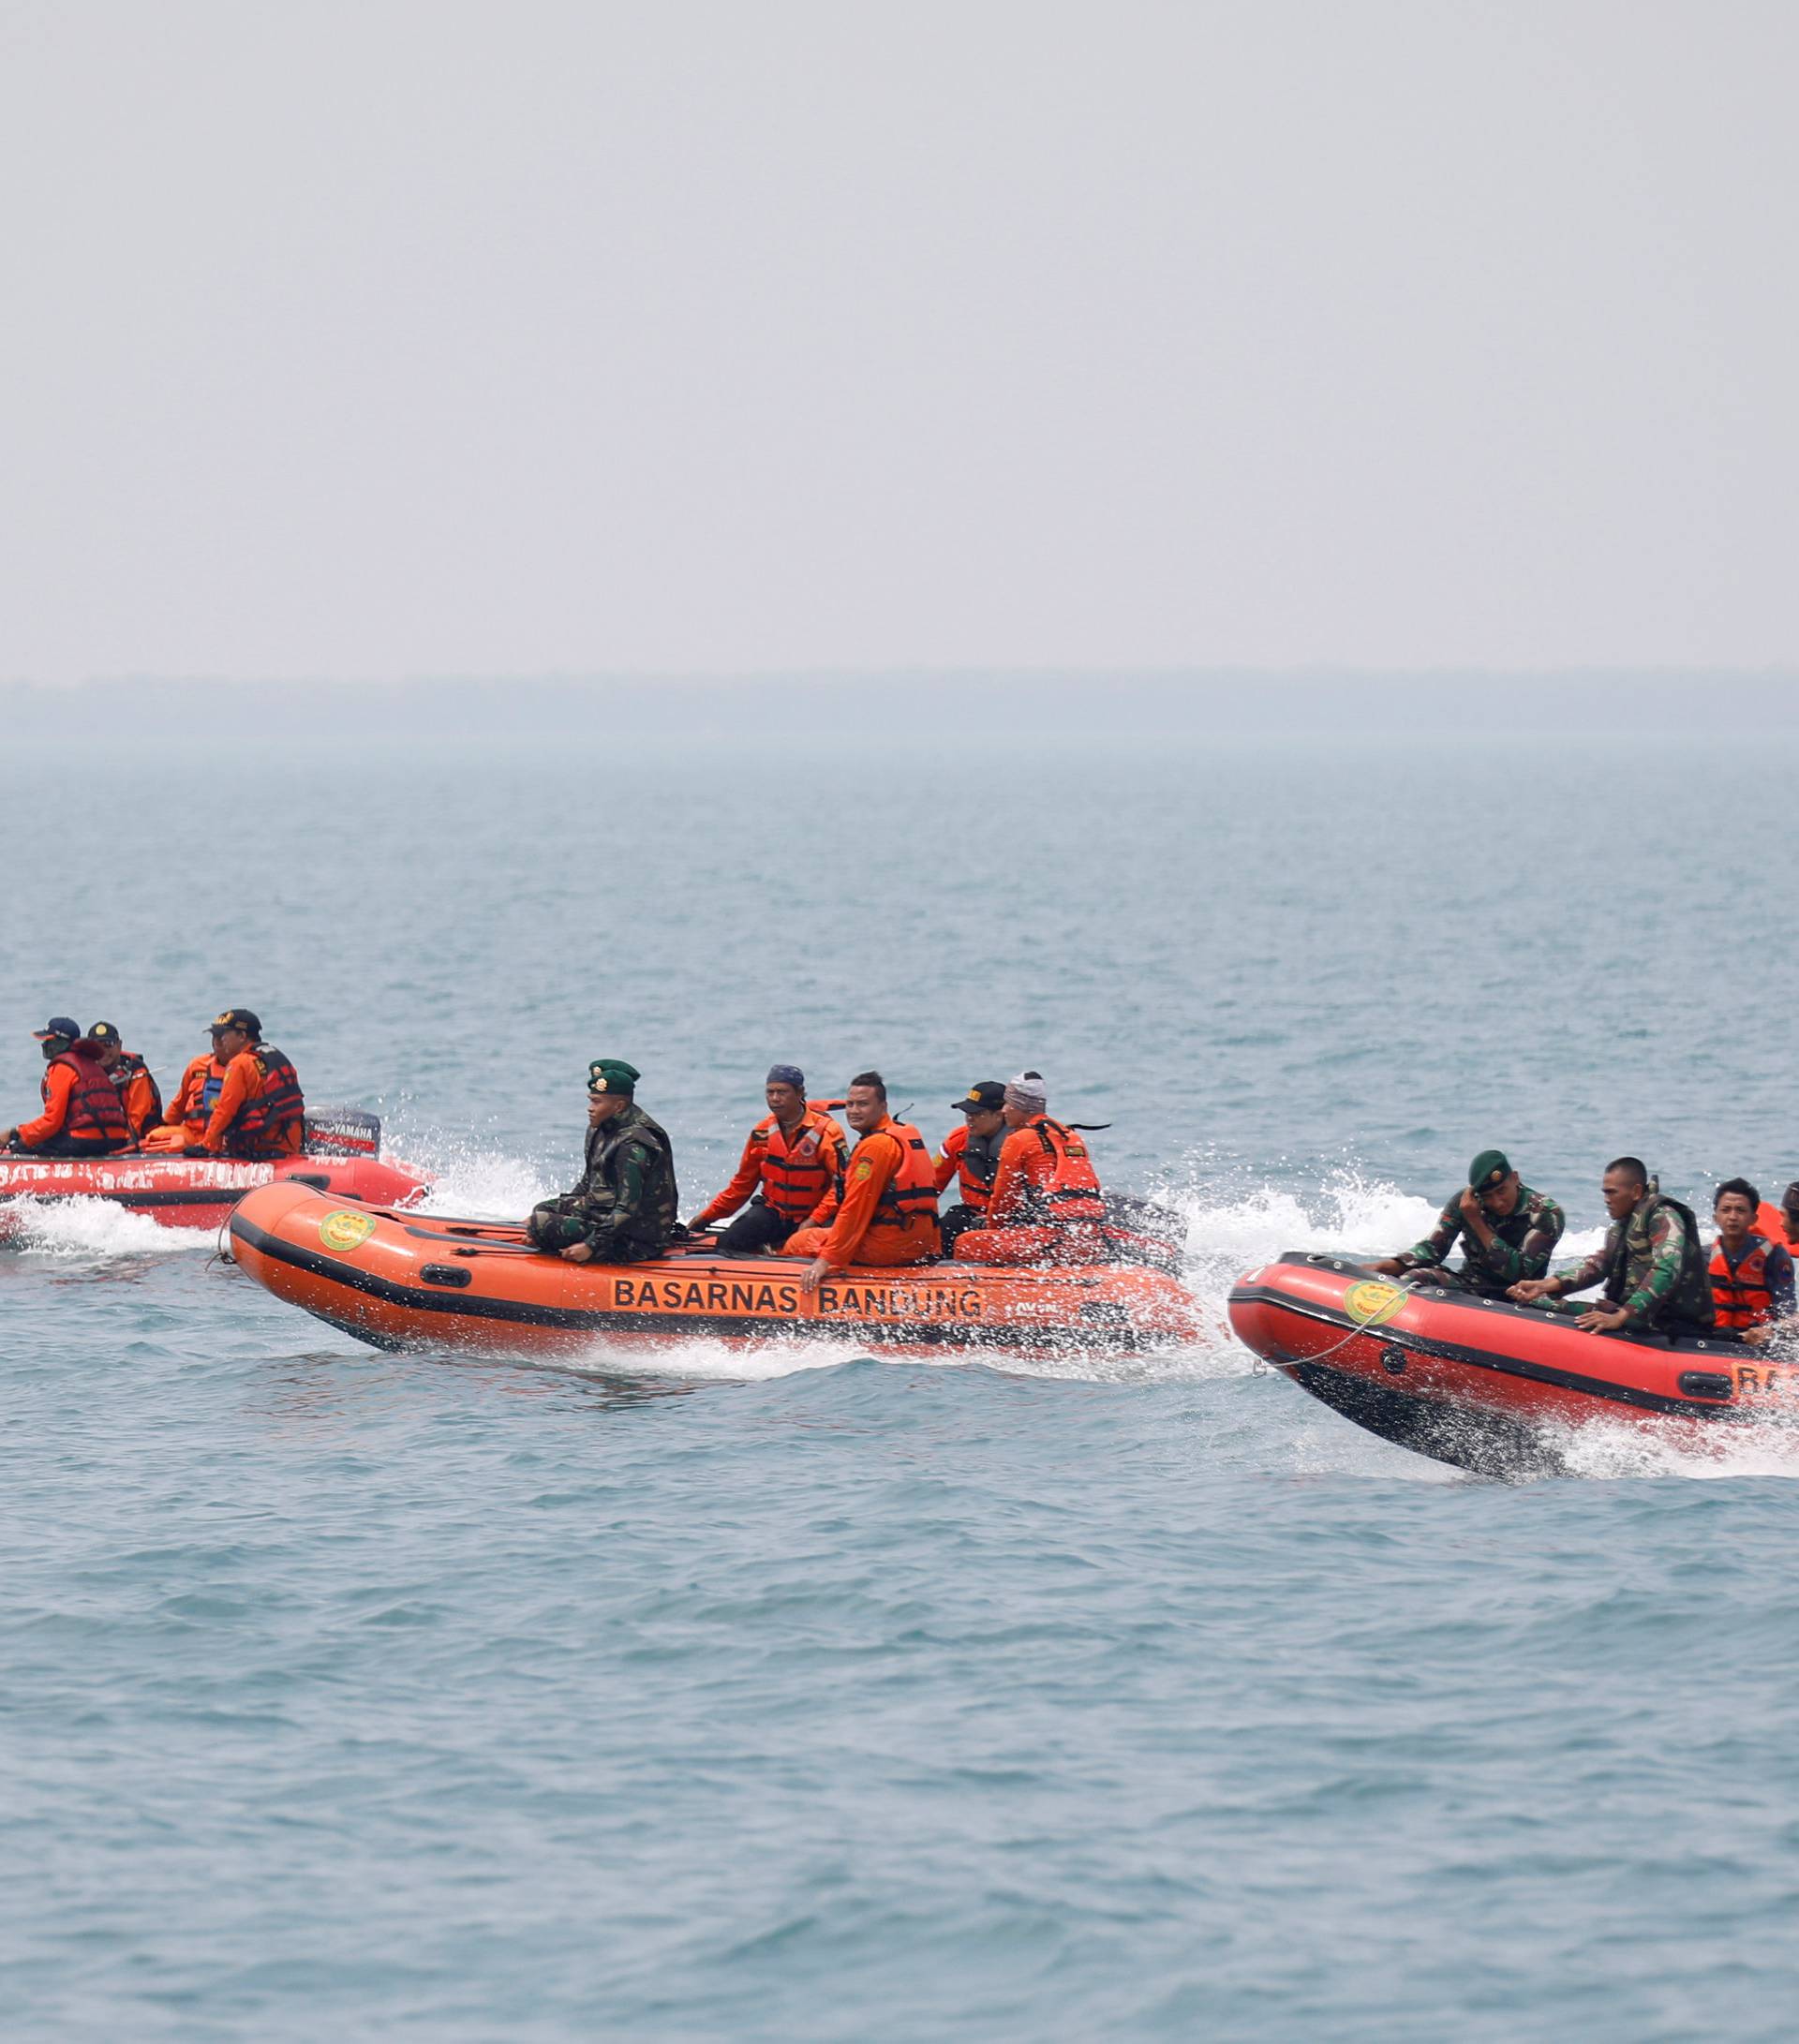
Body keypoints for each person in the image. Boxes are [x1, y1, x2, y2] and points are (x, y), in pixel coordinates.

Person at [1510, 1156, 1714, 1334]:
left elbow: (1666, 1269)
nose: (1606, 1200)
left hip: (1672, 1325)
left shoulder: (1664, 1217)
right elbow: (1599, 1265)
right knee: (1538, 1302)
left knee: (1556, 1309)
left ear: (1635, 1191)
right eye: (1604, 1193)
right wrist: (1544, 1285)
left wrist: (1621, 1316)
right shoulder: (1623, 1226)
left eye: (1612, 1193)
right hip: (1641, 1317)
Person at [782, 1072, 940, 1288]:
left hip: (888, 1246)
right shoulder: (904, 1133)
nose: (854, 1111)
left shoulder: (875, 1147)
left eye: (863, 1104)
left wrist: (825, 1261)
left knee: (796, 1242)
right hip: (918, 1243)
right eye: (850, 1104)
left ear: (883, 1107)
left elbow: (855, 1209)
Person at [527, 1058, 679, 1264]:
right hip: (604, 1213)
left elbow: (627, 1209)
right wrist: (565, 1213)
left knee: (541, 1222)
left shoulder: (633, 1145)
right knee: (542, 1211)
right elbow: (588, 1183)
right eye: (591, 1100)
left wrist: (591, 1245)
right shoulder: (601, 1129)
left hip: (637, 1237)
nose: (590, 1108)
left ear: (618, 1106)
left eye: (597, 1102)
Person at [689, 1065, 848, 1255]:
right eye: (770, 1092)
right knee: (727, 1244)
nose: (775, 1098)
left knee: (812, 1249)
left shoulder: (828, 1132)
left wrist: (813, 1220)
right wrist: (705, 1218)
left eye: (782, 1092)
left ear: (800, 1093)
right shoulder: (762, 1132)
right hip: (774, 1212)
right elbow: (742, 1185)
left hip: (817, 1215)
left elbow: (840, 1187)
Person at [953, 1073, 1109, 1266]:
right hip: (1088, 1237)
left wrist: (990, 1227)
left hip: (1052, 1240)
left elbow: (1003, 1202)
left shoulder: (1018, 1140)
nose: (1003, 1111)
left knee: (966, 1242)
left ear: (1021, 1107)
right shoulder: (1069, 1135)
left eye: (1008, 1104)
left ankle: (990, 1288)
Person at [1370, 1149, 1566, 1298]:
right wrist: (1388, 1266)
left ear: (1515, 1178)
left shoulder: (1546, 1213)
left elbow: (1519, 1271)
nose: (1497, 1202)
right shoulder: (1465, 1202)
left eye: (1502, 1191)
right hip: (1471, 1285)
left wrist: (1476, 1221)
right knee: (1413, 1278)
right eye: (1487, 1196)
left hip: (1520, 1294)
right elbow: (1432, 1250)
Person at [2, 1017, 133, 1156]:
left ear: (60, 1043)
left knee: (21, 1148)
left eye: (48, 1041)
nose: (44, 1045)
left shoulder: (62, 1068)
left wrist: (15, 1135)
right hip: (116, 1140)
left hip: (85, 1141)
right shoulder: (93, 1065)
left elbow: (51, 1122)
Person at [183, 1011, 305, 1159]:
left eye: (226, 1034)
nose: (222, 1039)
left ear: (242, 1036)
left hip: (262, 1149)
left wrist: (206, 1145)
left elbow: (225, 1110)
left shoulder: (240, 1064)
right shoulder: (275, 1056)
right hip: (289, 1143)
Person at [1708, 1178, 1795, 1345]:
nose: (1733, 1217)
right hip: (1714, 1341)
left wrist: (1771, 1330)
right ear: (1715, 1218)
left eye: (1740, 1210)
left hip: (1757, 1343)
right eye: (1726, 1210)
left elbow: (1787, 1309)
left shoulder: (1774, 1256)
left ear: (1754, 1219)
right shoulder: (1704, 1256)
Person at [933, 1080, 1008, 1253]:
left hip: (1009, 1218)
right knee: (948, 1225)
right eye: (967, 1112)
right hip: (971, 1214)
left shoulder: (1021, 1143)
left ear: (999, 1115)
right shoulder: (957, 1140)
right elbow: (931, 1184)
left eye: (978, 1113)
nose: (969, 1118)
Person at [141, 1018, 235, 1152]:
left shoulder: (241, 1068)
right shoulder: (197, 1065)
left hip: (224, 1137)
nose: (217, 1041)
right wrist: (164, 1125)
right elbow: (179, 1104)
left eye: (222, 1036)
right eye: (214, 1036)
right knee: (154, 1136)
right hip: (192, 1132)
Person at [87, 1021, 164, 1140]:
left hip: (141, 1138)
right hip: (105, 1138)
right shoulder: (86, 1074)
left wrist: (124, 1142)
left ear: (119, 1045)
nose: (103, 1051)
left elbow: (137, 1117)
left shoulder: (136, 1073)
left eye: (108, 1044)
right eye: (97, 1046)